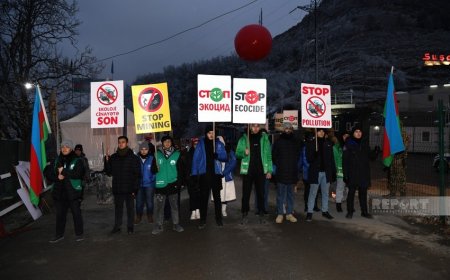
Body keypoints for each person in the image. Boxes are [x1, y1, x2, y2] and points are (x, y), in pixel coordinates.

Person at [44, 140, 85, 243]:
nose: (64, 148)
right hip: (59, 192)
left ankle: (79, 234)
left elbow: (78, 174)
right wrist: (57, 177)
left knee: (76, 214)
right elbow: (47, 173)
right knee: (60, 215)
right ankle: (59, 235)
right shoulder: (56, 160)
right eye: (62, 147)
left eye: (67, 147)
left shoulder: (77, 160)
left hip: (73, 192)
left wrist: (64, 172)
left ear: (71, 148)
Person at [235, 123, 273, 224]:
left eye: (257, 126)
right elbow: (237, 153)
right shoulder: (244, 138)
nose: (255, 128)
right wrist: (244, 152)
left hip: (260, 171)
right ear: (250, 127)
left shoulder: (264, 138)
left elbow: (269, 155)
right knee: (246, 194)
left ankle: (261, 214)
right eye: (253, 126)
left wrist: (269, 170)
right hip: (248, 171)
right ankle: (244, 214)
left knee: (261, 193)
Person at [191, 125, 227, 228]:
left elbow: (225, 157)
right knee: (204, 199)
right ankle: (203, 220)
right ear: (206, 134)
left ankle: (219, 219)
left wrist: (218, 156)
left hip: (216, 175)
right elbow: (195, 159)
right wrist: (194, 174)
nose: (211, 135)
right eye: (209, 133)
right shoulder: (201, 144)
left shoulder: (219, 144)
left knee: (217, 198)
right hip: (204, 175)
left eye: (213, 133)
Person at [104, 136, 141, 234]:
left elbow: (137, 175)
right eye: (119, 142)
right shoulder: (113, 157)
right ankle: (117, 226)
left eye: (123, 142)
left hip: (130, 189)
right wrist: (106, 161)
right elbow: (109, 172)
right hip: (118, 188)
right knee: (118, 210)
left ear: (127, 143)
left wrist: (135, 189)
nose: (121, 144)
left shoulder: (133, 158)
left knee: (130, 210)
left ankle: (130, 227)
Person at [151, 135, 185, 234]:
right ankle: (159, 226)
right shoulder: (156, 154)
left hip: (172, 184)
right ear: (162, 143)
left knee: (174, 206)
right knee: (160, 207)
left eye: (169, 142)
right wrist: (155, 167)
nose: (167, 143)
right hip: (160, 184)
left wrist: (179, 183)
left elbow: (181, 170)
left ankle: (176, 224)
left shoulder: (177, 154)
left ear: (171, 143)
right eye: (165, 142)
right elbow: (152, 170)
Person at [272, 123, 301, 223]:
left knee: (291, 195)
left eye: (289, 128)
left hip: (292, 173)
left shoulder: (296, 141)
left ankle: (289, 214)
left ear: (292, 130)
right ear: (283, 129)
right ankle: (280, 214)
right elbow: (274, 156)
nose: (287, 130)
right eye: (286, 128)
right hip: (281, 172)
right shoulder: (278, 141)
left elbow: (298, 156)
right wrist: (280, 164)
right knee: (280, 195)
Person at [305, 128, 335, 222]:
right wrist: (315, 153)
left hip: (326, 173)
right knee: (313, 192)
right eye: (319, 131)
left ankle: (325, 211)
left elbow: (331, 159)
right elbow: (309, 158)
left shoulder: (328, 143)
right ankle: (310, 212)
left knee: (325, 193)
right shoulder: (312, 143)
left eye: (323, 131)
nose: (321, 133)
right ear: (316, 132)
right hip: (315, 172)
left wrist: (332, 173)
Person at [343, 126, 372, 219]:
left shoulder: (364, 144)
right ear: (353, 133)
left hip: (363, 173)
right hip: (353, 173)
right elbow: (345, 161)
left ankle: (364, 212)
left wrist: (375, 152)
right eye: (356, 131)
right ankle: (350, 211)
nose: (358, 133)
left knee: (363, 194)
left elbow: (370, 158)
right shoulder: (349, 144)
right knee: (351, 193)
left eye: (360, 131)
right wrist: (346, 174)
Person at [214, 136, 237, 218]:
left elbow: (233, 162)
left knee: (225, 194)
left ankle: (223, 209)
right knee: (218, 193)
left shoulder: (229, 151)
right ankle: (218, 209)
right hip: (217, 175)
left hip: (226, 175)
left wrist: (225, 172)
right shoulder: (214, 152)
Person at [134, 141, 156, 224]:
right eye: (142, 149)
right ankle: (138, 216)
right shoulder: (136, 158)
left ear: (148, 150)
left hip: (149, 184)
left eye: (145, 149)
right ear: (139, 150)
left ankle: (150, 215)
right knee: (139, 202)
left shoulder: (152, 158)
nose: (143, 151)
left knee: (149, 202)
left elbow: (155, 171)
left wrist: (151, 179)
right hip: (139, 184)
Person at [387, 130, 408, 196]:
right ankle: (392, 193)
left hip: (399, 158)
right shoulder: (392, 132)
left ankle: (403, 194)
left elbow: (405, 146)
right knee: (392, 176)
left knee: (401, 178)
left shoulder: (403, 133)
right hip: (392, 158)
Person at [187, 137, 201, 220]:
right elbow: (187, 166)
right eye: (194, 143)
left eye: (197, 143)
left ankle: (198, 210)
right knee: (192, 195)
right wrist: (188, 176)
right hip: (192, 177)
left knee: (199, 195)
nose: (196, 144)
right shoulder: (189, 153)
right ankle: (193, 211)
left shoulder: (202, 153)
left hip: (200, 177)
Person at [331, 134, 345, 212]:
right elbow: (336, 160)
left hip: (346, 171)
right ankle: (338, 204)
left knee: (344, 188)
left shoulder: (343, 146)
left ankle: (340, 201)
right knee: (339, 188)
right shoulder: (335, 147)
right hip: (340, 171)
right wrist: (337, 170)